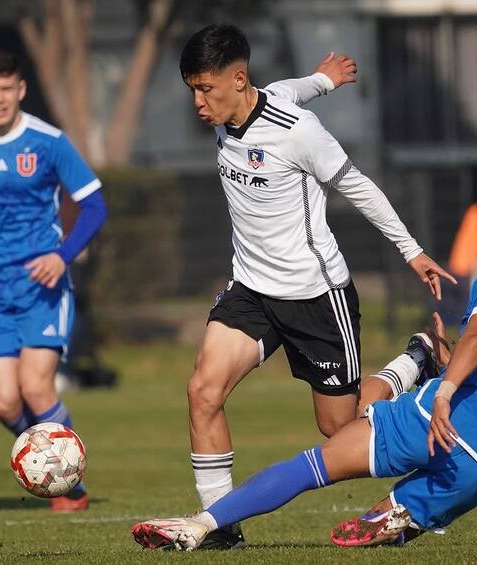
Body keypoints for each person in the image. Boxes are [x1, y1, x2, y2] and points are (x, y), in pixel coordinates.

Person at [131, 205, 477, 550]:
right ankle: (402, 514)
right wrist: (450, 367)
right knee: (361, 531)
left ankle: (204, 525)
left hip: (436, 419)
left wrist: (445, 388)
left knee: (313, 464)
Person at [176, 24, 456, 548]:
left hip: (316, 295)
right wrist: (325, 78)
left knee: (340, 428)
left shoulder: (297, 130)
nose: (198, 101)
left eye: (205, 89)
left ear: (237, 79)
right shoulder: (244, 104)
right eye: (192, 88)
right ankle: (219, 525)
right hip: (251, 290)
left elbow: (359, 186)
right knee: (202, 391)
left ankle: (415, 360)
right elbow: (292, 85)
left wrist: (412, 250)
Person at [0, 51, 107, 512]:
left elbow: (94, 205)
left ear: (21, 90)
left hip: (43, 287)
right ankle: (53, 465)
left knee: (35, 388)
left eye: (6, 89)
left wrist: (62, 256)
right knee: (4, 402)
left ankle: (70, 483)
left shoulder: (48, 142)